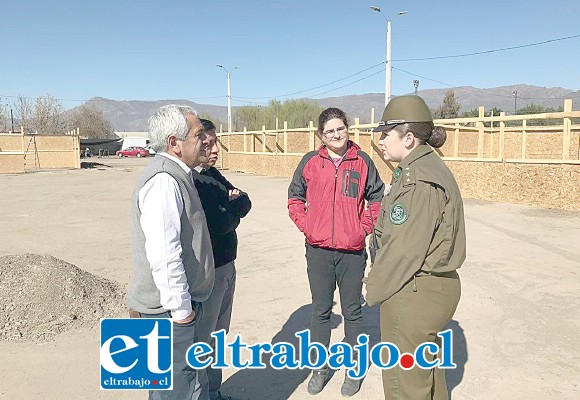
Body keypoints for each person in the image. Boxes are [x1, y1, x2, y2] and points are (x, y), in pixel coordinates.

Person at [365, 95, 466, 400]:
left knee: (404, 387)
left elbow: (403, 250)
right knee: (428, 380)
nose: (380, 141)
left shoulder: (418, 181)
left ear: (408, 138)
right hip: (430, 289)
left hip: (415, 290)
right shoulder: (425, 167)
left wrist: (373, 287)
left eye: (386, 134)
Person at [288, 107, 384, 397]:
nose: (336, 135)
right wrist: (309, 227)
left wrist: (362, 228)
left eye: (340, 129)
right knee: (320, 311)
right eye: (329, 131)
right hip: (317, 251)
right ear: (321, 136)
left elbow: (377, 198)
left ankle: (354, 367)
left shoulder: (362, 161)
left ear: (347, 129)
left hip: (351, 253)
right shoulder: (310, 163)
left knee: (352, 311)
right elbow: (294, 198)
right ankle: (320, 367)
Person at [126, 105, 215, 400]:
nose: (206, 140)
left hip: (170, 312)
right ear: (175, 143)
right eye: (198, 134)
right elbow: (165, 256)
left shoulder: (178, 175)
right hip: (168, 315)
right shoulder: (164, 180)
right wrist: (183, 313)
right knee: (175, 391)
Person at [193, 119, 252, 400]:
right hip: (211, 272)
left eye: (216, 142)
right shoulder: (195, 181)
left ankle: (214, 392)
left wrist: (234, 203)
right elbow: (220, 223)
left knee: (218, 337)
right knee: (204, 339)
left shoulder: (214, 175)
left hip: (228, 265)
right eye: (209, 143)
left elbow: (246, 201)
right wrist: (233, 204)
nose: (215, 149)